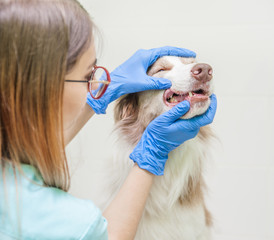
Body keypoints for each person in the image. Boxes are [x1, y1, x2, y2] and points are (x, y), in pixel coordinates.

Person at [0, 0, 217, 239]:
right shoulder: (65, 221)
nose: (100, 85)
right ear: (42, 86)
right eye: (88, 75)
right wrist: (151, 155)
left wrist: (100, 100)